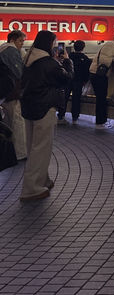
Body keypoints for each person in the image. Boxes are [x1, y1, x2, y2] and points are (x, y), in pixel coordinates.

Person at [19, 30, 73, 201]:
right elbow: (67, 78)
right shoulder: (48, 62)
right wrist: (67, 61)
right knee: (41, 149)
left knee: (32, 146)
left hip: (29, 106)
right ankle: (31, 188)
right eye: (54, 43)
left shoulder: (28, 59)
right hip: (44, 107)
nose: (55, 46)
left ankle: (43, 179)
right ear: (49, 44)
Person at [89, 39, 114, 129]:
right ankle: (100, 122)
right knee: (101, 99)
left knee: (100, 98)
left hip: (94, 74)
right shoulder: (113, 45)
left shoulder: (106, 45)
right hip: (100, 76)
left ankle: (100, 121)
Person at [0, 30, 27, 160]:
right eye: (21, 41)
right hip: (12, 92)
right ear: (12, 40)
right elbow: (19, 72)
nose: (22, 44)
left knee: (7, 120)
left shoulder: (2, 49)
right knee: (17, 121)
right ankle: (20, 153)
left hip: (3, 92)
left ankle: (9, 151)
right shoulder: (11, 51)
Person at [67, 40, 91, 124]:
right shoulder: (85, 59)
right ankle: (75, 118)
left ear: (74, 47)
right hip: (78, 81)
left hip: (68, 80)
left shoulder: (69, 56)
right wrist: (84, 80)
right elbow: (87, 71)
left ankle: (61, 115)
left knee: (65, 97)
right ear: (83, 48)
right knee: (76, 99)